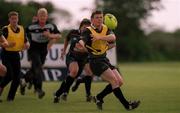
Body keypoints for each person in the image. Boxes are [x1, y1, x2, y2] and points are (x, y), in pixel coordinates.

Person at [79, 10, 140, 110]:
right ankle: (127, 105)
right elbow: (81, 40)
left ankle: (99, 97)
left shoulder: (105, 28)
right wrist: (84, 45)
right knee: (114, 81)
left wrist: (99, 37)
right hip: (95, 61)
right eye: (97, 17)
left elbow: (113, 37)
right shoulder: (88, 31)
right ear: (92, 20)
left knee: (120, 82)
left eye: (101, 17)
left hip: (104, 59)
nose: (99, 19)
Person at [53, 18, 93, 103]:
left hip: (84, 59)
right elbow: (67, 39)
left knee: (86, 74)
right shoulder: (73, 32)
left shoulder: (90, 36)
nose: (86, 30)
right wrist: (64, 50)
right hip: (72, 57)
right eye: (84, 27)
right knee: (74, 71)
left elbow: (88, 49)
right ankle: (61, 93)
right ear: (80, 27)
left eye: (88, 28)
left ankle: (59, 93)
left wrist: (84, 50)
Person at [25, 8, 61, 99]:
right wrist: (25, 42)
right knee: (39, 67)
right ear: (37, 17)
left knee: (34, 69)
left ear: (46, 16)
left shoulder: (51, 26)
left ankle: (25, 80)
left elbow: (59, 35)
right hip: (33, 49)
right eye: (40, 15)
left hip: (43, 50)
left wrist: (50, 35)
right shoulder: (31, 26)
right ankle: (39, 89)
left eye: (44, 15)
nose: (42, 17)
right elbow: (23, 34)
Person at [0, 11, 30, 102]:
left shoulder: (21, 29)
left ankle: (10, 98)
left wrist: (27, 45)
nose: (14, 20)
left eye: (15, 18)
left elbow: (26, 41)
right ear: (9, 19)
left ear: (18, 19)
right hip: (6, 54)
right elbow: (1, 43)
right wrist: (7, 45)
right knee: (9, 75)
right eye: (12, 19)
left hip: (16, 54)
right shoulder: (5, 29)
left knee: (17, 78)